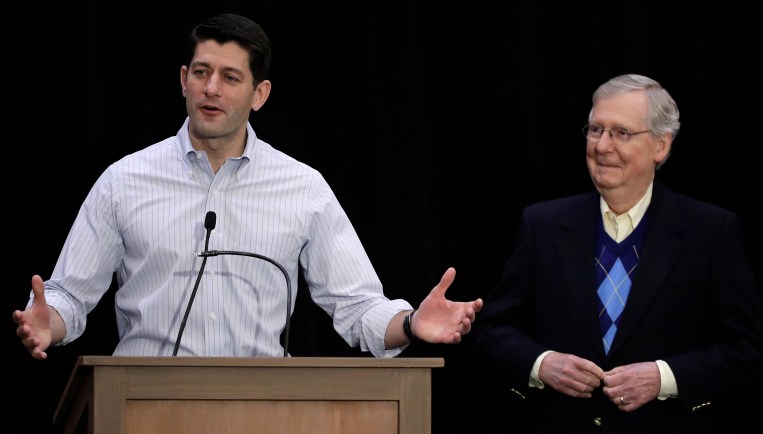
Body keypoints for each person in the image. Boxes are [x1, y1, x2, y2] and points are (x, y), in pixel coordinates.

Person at [12, 13, 482, 361]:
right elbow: (70, 297)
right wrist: (46, 324)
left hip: (261, 409)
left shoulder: (302, 187)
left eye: (230, 77)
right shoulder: (123, 182)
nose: (210, 88)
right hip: (143, 404)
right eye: (200, 72)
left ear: (260, 94)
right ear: (183, 80)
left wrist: (411, 326)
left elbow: (358, 307)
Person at [473, 73, 763, 434]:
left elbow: (747, 351)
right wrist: (543, 364)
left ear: (661, 145)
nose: (602, 146)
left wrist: (663, 377)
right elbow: (493, 332)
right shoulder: (542, 225)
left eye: (621, 133)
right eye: (596, 130)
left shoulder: (710, 231)